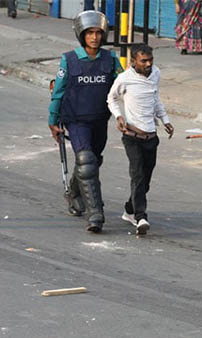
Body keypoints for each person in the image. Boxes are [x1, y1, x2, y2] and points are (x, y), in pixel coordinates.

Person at [48, 11, 123, 233]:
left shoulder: (111, 60)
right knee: (86, 159)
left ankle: (73, 192)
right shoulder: (68, 59)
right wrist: (53, 120)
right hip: (75, 119)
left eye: (98, 32)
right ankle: (95, 214)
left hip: (99, 119)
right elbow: (58, 91)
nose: (94, 37)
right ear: (81, 34)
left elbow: (123, 88)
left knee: (92, 161)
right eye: (89, 32)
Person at [107, 44, 174, 235]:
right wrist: (119, 116)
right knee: (137, 175)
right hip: (132, 137)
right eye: (143, 61)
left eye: (150, 60)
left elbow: (155, 98)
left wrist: (165, 119)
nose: (148, 64)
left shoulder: (155, 74)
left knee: (145, 180)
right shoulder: (125, 79)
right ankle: (140, 217)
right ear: (133, 62)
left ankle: (129, 209)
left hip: (151, 136)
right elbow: (111, 98)